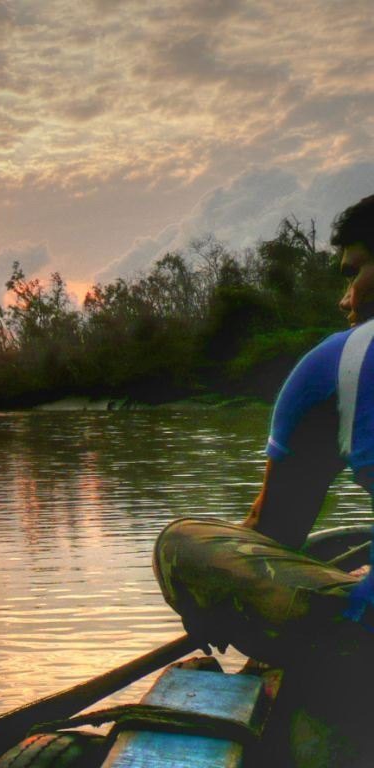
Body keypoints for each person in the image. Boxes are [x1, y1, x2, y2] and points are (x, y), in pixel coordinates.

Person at [153, 193, 374, 767]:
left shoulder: (343, 360)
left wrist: (215, 600)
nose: (344, 299)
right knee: (346, 542)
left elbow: (273, 530)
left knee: (182, 543)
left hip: (364, 646)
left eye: (354, 273)